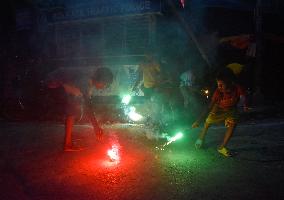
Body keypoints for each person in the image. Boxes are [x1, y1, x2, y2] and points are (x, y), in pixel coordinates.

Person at [46, 67, 113, 151]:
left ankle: (67, 144)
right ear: (101, 80)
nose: (104, 87)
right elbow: (88, 107)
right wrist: (96, 127)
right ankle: (67, 144)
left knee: (76, 102)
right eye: (105, 84)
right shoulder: (85, 83)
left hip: (53, 83)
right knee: (75, 105)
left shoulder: (88, 80)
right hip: (50, 85)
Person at [192, 69, 248, 157]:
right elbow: (209, 107)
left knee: (233, 124)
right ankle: (201, 138)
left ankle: (222, 147)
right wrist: (198, 121)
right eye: (218, 84)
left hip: (231, 110)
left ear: (230, 83)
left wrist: (245, 105)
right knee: (208, 122)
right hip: (218, 109)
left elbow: (243, 97)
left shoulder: (237, 88)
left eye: (222, 84)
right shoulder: (218, 93)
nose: (219, 87)